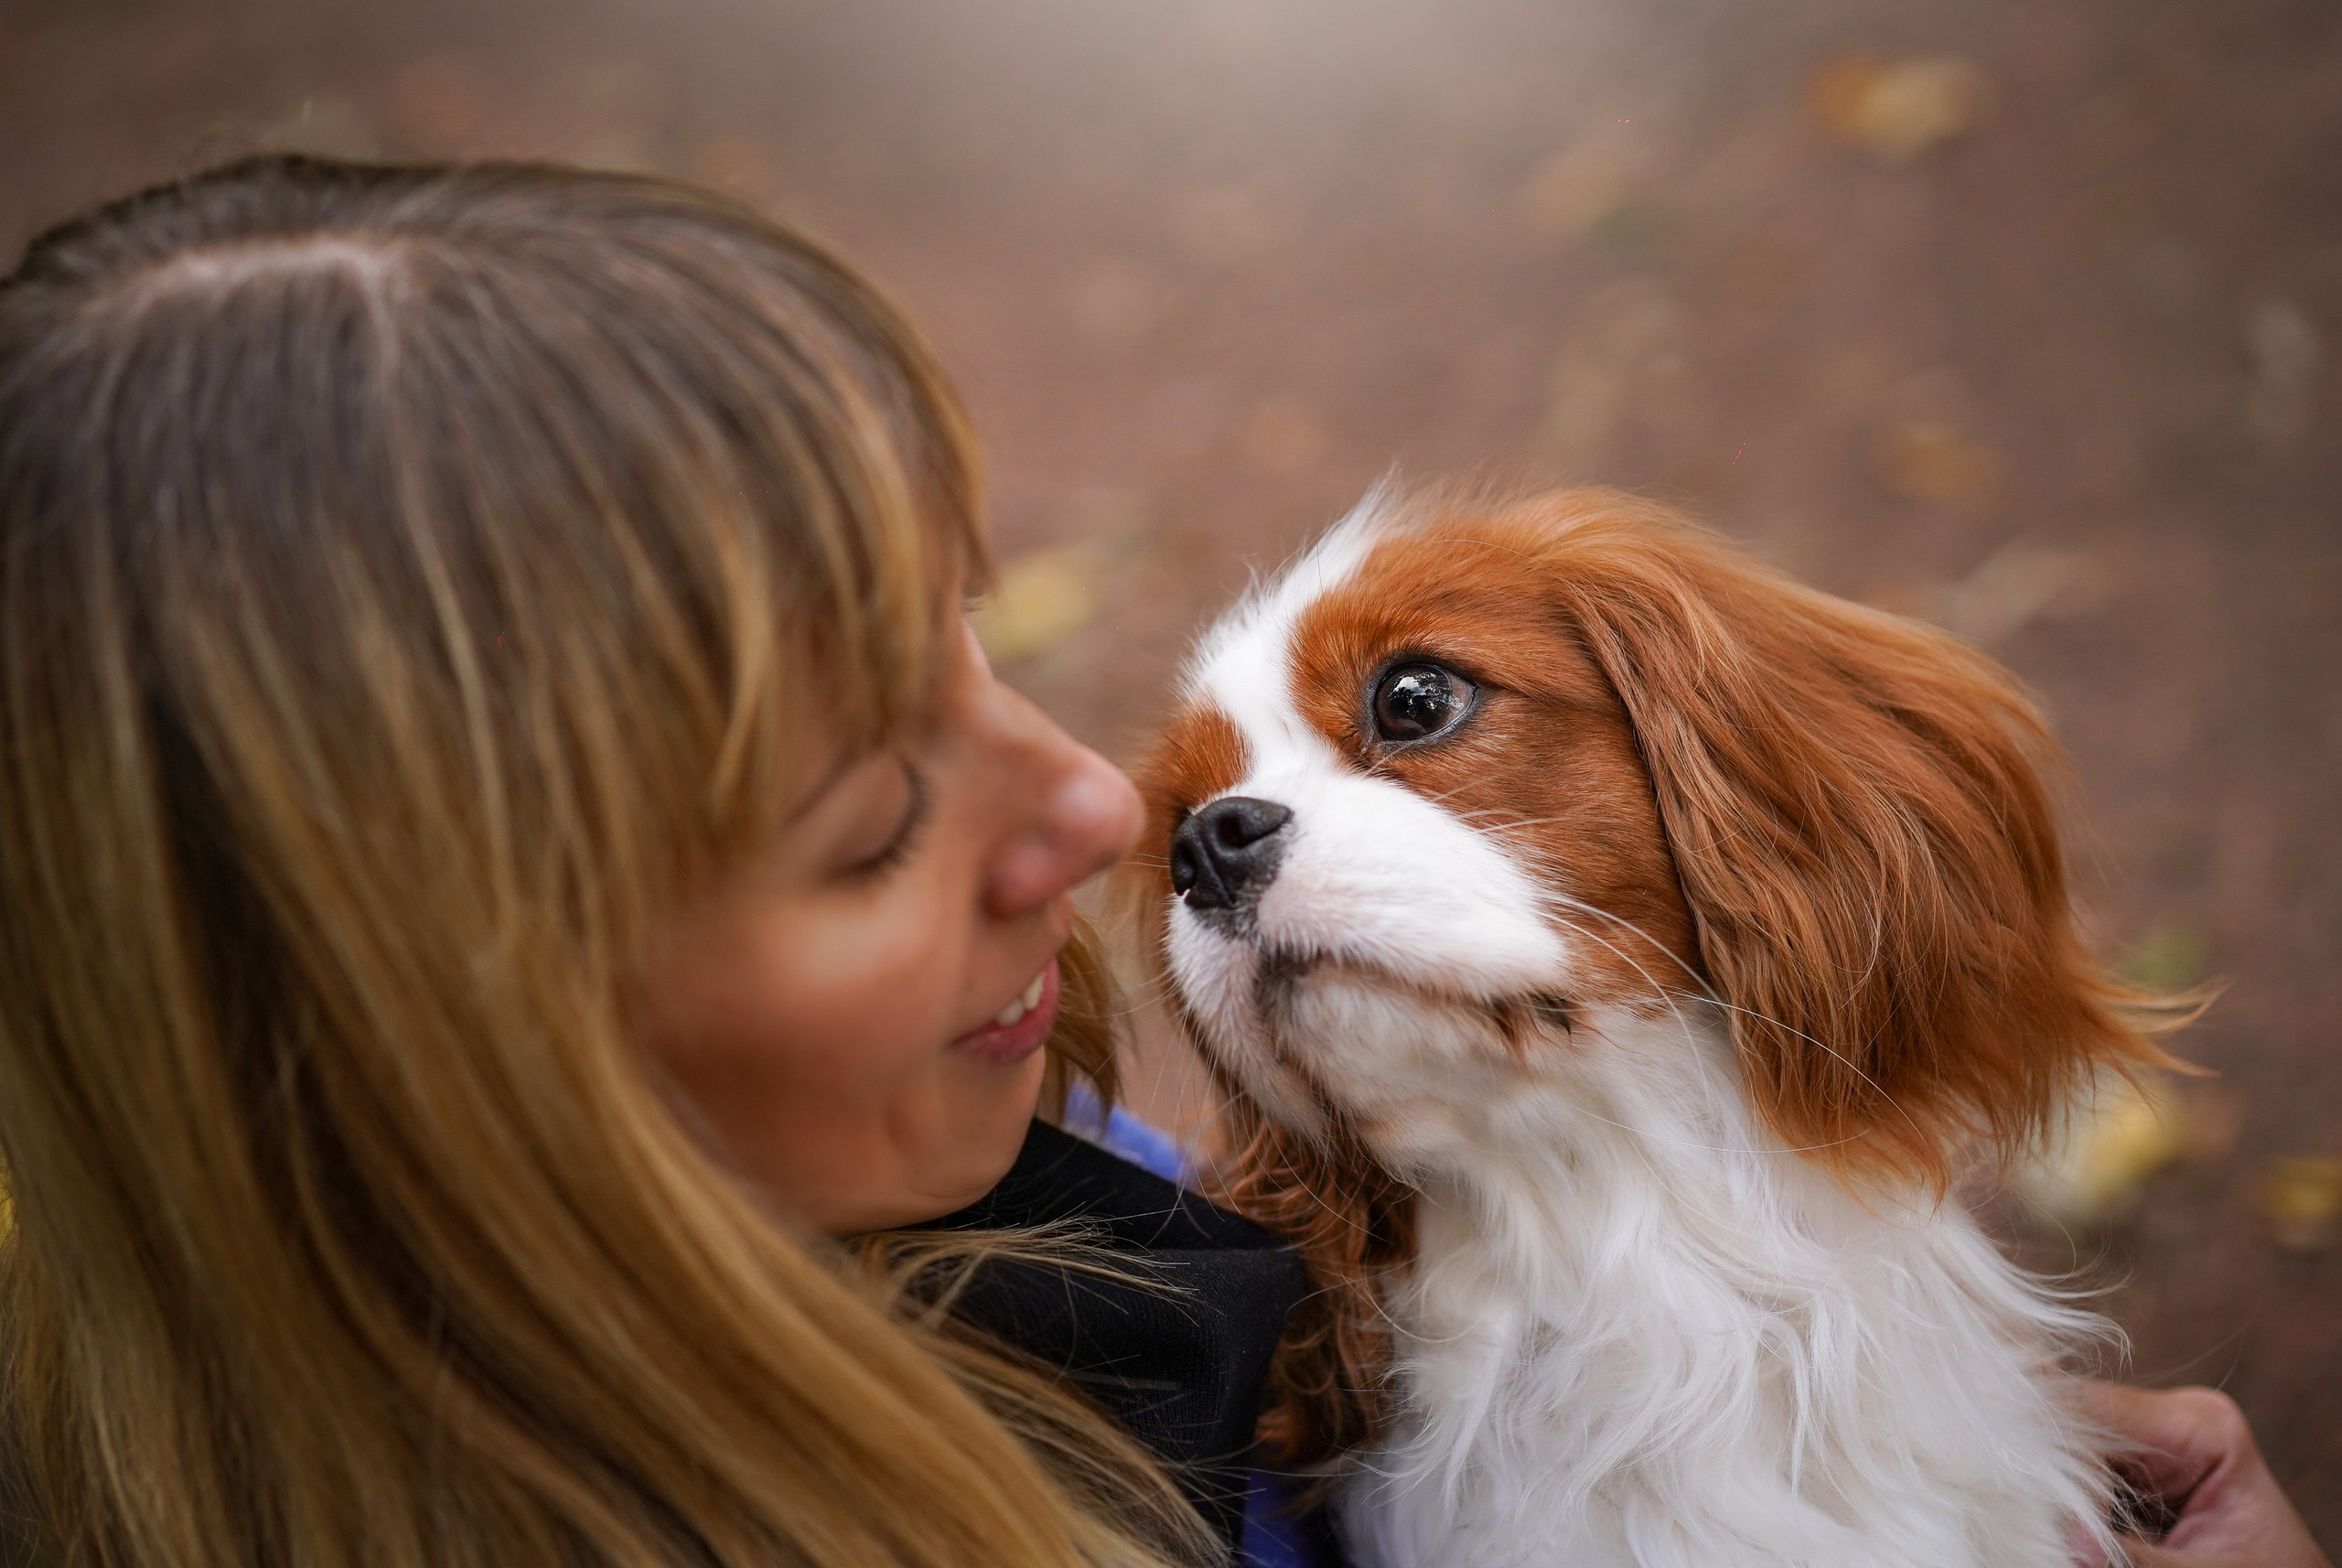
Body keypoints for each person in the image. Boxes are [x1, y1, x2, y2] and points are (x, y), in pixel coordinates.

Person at [0, 155, 2321, 1568]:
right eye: (874, 816)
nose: (1118, 822)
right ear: (452, 1072)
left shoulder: (1047, 1173)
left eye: (963, 661)